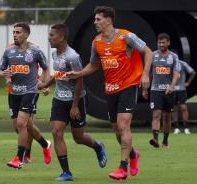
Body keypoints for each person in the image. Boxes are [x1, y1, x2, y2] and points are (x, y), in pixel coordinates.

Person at [65, 6, 152, 180]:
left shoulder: (126, 36)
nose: (95, 22)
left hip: (128, 85)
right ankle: (133, 155)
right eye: (95, 19)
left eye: (98, 19)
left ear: (108, 20)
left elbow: (148, 51)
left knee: (123, 125)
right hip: (110, 89)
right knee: (118, 133)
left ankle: (122, 167)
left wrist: (145, 74)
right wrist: (78, 73)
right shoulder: (96, 42)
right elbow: (94, 65)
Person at [37, 24, 107, 181]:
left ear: (61, 37)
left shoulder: (72, 56)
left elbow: (79, 81)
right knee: (56, 132)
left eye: (52, 35)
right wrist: (45, 84)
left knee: (79, 138)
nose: (49, 38)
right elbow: (59, 74)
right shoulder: (55, 54)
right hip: (59, 100)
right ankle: (66, 173)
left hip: (76, 100)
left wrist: (75, 106)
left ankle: (98, 147)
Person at [0, 22, 51, 170]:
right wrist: (4, 74)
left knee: (22, 123)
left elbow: (46, 69)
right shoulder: (8, 51)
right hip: (14, 92)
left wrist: (43, 84)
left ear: (26, 35)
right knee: (22, 126)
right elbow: (0, 71)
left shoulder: (35, 51)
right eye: (14, 32)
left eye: (18, 32)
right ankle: (45, 144)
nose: (15, 35)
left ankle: (19, 158)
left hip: (30, 91)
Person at [148, 33, 180, 149]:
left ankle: (165, 141)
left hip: (169, 91)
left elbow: (176, 73)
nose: (161, 45)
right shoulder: (152, 55)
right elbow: (149, 73)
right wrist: (145, 88)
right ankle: (155, 139)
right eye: (160, 42)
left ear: (168, 43)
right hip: (155, 90)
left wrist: (171, 86)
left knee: (167, 116)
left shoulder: (173, 57)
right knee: (156, 114)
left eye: (163, 43)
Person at [171, 49, 196, 134]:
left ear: (177, 55)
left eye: (175, 55)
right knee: (173, 109)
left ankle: (186, 127)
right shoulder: (168, 65)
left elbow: (193, 72)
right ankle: (176, 127)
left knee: (184, 108)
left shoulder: (182, 63)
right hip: (172, 89)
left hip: (181, 89)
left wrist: (188, 83)